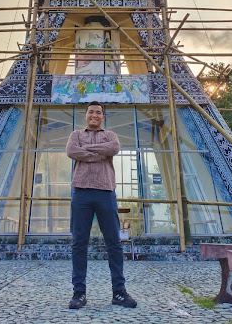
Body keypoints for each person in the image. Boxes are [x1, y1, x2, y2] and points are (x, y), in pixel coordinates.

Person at [65, 101, 137, 309]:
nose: (94, 115)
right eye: (91, 112)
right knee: (79, 242)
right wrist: (99, 154)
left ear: (103, 117)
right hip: (81, 191)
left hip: (106, 191)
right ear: (85, 115)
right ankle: (79, 293)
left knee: (114, 242)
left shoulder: (110, 135)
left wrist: (86, 150)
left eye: (98, 112)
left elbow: (113, 148)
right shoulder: (75, 135)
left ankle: (119, 292)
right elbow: (72, 151)